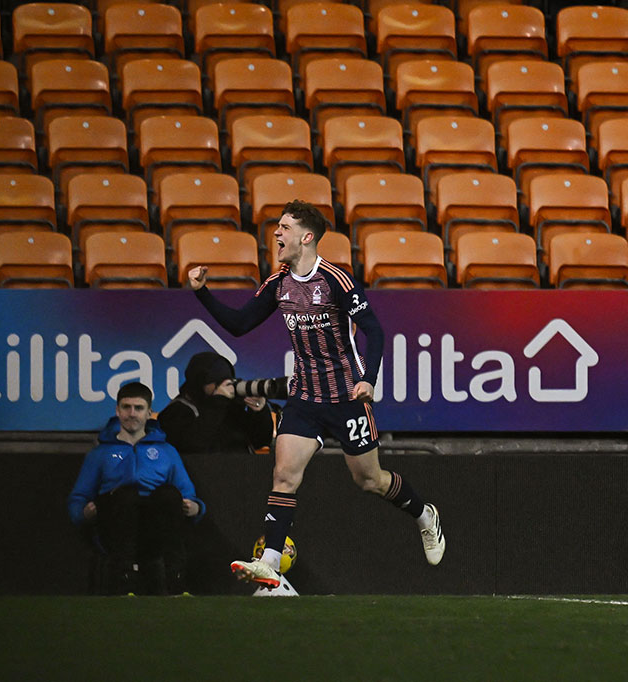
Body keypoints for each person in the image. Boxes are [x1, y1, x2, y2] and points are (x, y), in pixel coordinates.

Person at [186, 199, 445, 589]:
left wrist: (369, 379)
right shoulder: (278, 284)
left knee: (369, 480)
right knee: (284, 475)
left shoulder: (336, 280)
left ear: (306, 237)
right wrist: (202, 292)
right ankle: (270, 563)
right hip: (305, 398)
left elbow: (374, 331)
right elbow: (239, 324)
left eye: (285, 227)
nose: (276, 233)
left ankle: (425, 515)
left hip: (346, 398)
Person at [68, 382, 205, 595]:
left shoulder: (167, 451)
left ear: (149, 413)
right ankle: (123, 584)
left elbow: (188, 494)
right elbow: (78, 498)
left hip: (155, 528)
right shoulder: (100, 454)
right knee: (126, 495)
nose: (132, 414)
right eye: (126, 407)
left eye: (138, 408)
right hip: (116, 524)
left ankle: (176, 585)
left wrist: (195, 507)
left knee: (168, 495)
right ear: (117, 410)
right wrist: (84, 512)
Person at [159, 351, 273, 456]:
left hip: (243, 469)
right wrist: (218, 402)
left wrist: (260, 412)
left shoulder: (230, 408)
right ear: (201, 383)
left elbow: (260, 441)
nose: (226, 387)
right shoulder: (176, 411)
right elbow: (192, 445)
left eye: (228, 382)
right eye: (218, 382)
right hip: (201, 471)